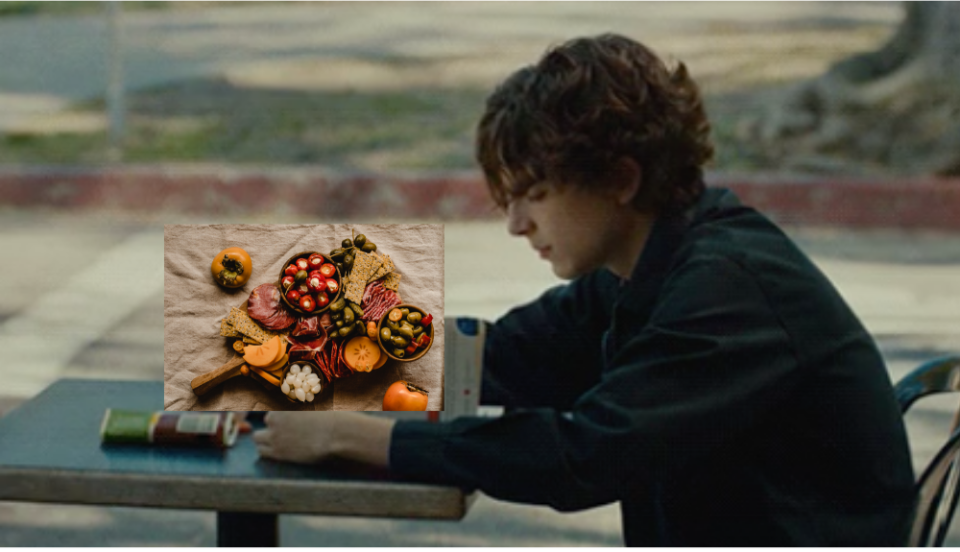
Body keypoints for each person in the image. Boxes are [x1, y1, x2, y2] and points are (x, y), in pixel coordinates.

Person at [253, 33, 917, 546]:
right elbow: (505, 355)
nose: (516, 225)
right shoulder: (645, 265)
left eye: (535, 196)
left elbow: (587, 455)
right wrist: (295, 354)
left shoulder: (726, 289)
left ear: (620, 180)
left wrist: (359, 439)